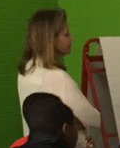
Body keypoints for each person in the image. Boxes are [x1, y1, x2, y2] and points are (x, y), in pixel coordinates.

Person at [15, 9, 101, 137]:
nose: (72, 38)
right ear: (50, 39)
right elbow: (92, 118)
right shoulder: (58, 77)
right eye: (66, 34)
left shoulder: (27, 69)